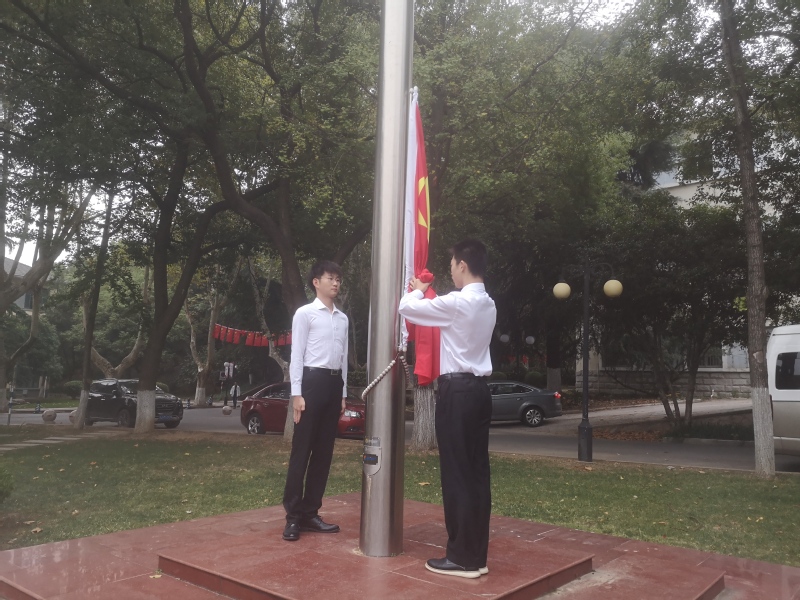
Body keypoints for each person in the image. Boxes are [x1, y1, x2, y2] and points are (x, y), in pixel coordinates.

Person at [398, 239, 497, 579]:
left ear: (463, 266)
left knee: (457, 475)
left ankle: (461, 558)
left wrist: (418, 289)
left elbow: (406, 309)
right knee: (476, 475)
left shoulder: (457, 302)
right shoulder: (489, 304)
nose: (451, 270)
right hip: (479, 391)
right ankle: (475, 555)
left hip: (457, 392)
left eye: (453, 264)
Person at [282, 260, 349, 542]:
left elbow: (343, 357)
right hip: (311, 383)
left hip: (334, 385)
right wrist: (297, 393)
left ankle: (311, 512)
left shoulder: (342, 319)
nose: (335, 283)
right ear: (316, 282)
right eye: (330, 278)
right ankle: (293, 517)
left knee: (323, 453)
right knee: (302, 450)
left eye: (338, 279)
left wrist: (343, 393)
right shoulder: (305, 314)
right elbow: (297, 355)